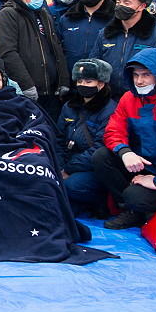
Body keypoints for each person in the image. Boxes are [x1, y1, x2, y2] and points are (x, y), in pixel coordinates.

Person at [93, 48, 156, 230]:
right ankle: (129, 211)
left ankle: (144, 204)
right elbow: (113, 131)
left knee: (136, 197)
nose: (139, 81)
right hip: (143, 162)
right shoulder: (129, 98)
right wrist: (125, 152)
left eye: (146, 75)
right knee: (101, 156)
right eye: (135, 75)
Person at [0, 0, 70, 118]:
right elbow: (8, 53)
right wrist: (26, 85)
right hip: (28, 93)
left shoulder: (43, 14)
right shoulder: (8, 15)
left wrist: (63, 80)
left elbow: (55, 46)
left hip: (51, 92)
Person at [89, 0, 156, 95]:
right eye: (118, 2)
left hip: (146, 100)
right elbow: (94, 64)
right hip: (110, 100)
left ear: (142, 6)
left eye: (127, 3)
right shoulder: (106, 33)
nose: (120, 6)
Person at [57, 59, 117, 215]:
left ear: (101, 83)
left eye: (89, 81)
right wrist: (59, 166)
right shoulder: (69, 106)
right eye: (80, 81)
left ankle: (100, 201)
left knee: (71, 186)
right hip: (67, 163)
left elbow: (100, 148)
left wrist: (69, 169)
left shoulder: (110, 110)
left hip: (92, 168)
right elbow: (58, 138)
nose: (83, 85)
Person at [56, 0, 113, 69]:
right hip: (73, 78)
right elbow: (58, 51)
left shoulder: (115, 19)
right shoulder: (67, 19)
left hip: (104, 79)